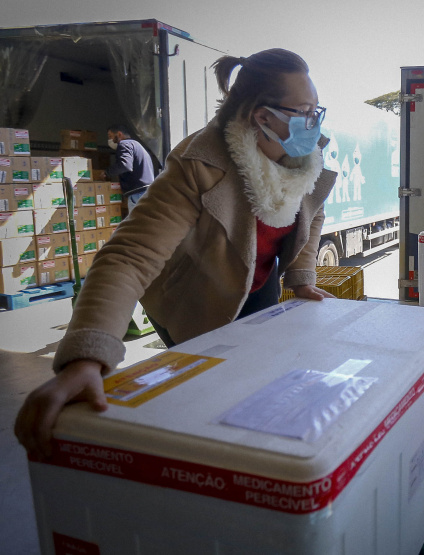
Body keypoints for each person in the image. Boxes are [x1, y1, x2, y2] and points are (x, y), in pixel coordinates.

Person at [15, 49, 337, 459]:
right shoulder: (199, 164)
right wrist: (86, 358)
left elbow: (313, 211)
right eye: (306, 111)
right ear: (263, 116)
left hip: (257, 284)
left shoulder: (305, 159)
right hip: (194, 299)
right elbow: (130, 256)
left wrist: (302, 278)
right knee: (211, 398)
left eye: (317, 110)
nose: (316, 122)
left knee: (261, 384)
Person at [104, 125, 155, 215]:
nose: (109, 140)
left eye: (110, 136)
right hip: (147, 191)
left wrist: (106, 172)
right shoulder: (137, 145)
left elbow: (125, 165)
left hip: (138, 194)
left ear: (119, 134)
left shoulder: (124, 144)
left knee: (138, 225)